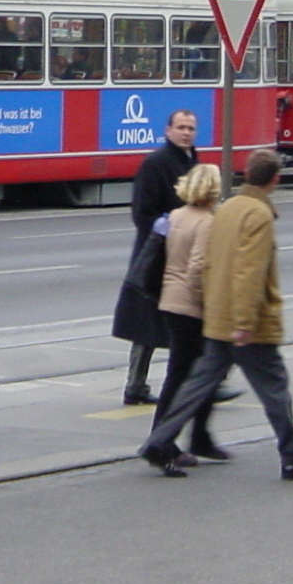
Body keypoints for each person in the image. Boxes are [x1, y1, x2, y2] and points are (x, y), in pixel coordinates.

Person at [138, 148, 293, 481]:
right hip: (247, 325)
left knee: (197, 385)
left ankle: (157, 442)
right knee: (275, 389)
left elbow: (214, 265)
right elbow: (250, 272)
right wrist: (244, 322)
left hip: (217, 317)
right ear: (275, 179)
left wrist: (216, 312)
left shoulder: (227, 209)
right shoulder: (257, 214)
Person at [149, 162, 230, 468]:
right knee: (194, 374)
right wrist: (209, 304)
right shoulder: (208, 221)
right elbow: (197, 268)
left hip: (169, 301)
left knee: (186, 373)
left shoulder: (176, 215)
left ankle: (191, 437)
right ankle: (163, 442)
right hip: (191, 307)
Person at [122, 108, 198, 405]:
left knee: (170, 321)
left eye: (191, 128)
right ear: (168, 130)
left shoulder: (192, 160)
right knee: (148, 323)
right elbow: (141, 214)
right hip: (156, 254)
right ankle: (136, 385)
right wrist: (173, 226)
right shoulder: (155, 163)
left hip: (181, 253)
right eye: (181, 127)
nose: (186, 132)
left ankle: (196, 380)